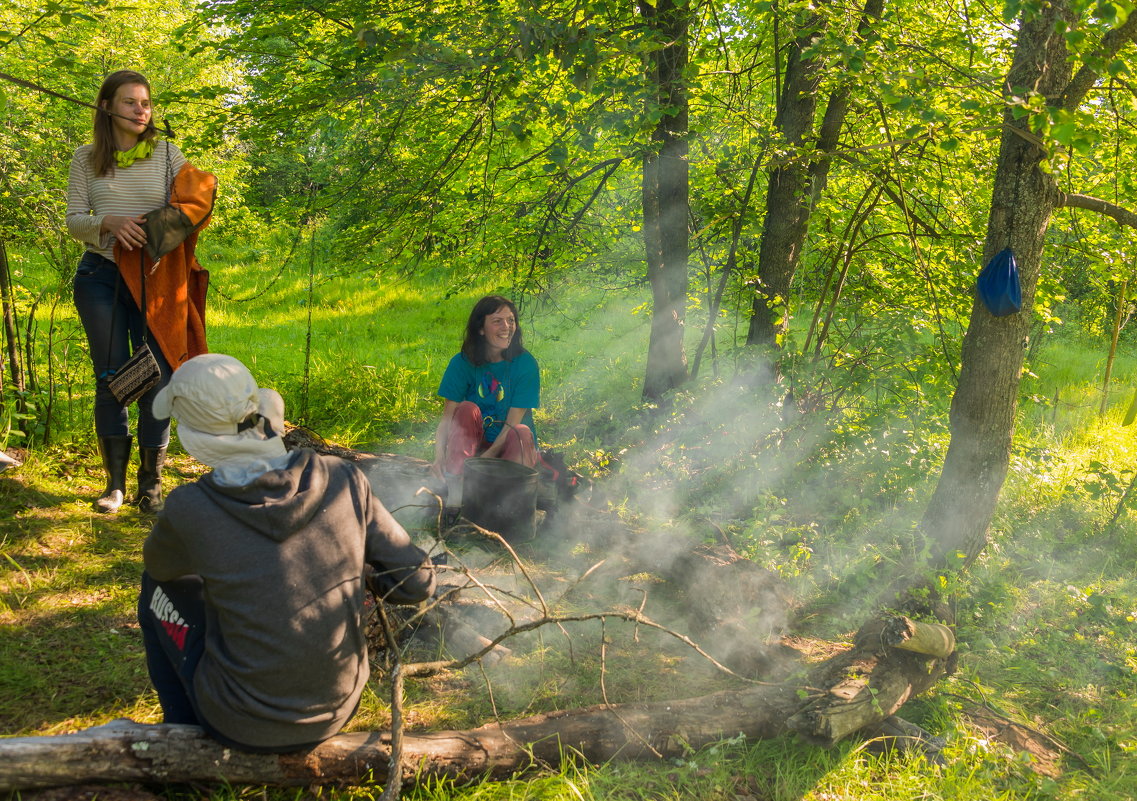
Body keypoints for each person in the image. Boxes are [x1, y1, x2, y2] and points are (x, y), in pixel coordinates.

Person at [137, 353, 435, 752]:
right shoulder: (344, 478)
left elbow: (161, 566)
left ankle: (182, 733)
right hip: (337, 708)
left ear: (196, 434)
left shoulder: (190, 507)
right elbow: (417, 583)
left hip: (238, 721)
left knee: (155, 585)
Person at [66, 69, 216, 514]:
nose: (140, 110)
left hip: (156, 280)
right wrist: (107, 223)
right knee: (111, 378)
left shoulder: (167, 152)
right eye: (130, 102)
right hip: (101, 277)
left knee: (158, 376)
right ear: (107, 106)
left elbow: (195, 200)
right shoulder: (86, 157)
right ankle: (113, 486)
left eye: (146, 103)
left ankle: (149, 485)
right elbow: (75, 219)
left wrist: (151, 231)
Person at [432, 295, 540, 478]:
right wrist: (438, 458)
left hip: (511, 448)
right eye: (497, 321)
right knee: (466, 409)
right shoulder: (461, 363)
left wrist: (484, 461)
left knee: (520, 431)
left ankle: (514, 494)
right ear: (481, 329)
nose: (506, 327)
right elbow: (448, 418)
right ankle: (456, 484)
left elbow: (512, 423)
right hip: (473, 447)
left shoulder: (525, 364)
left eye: (511, 320)